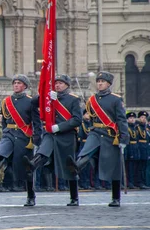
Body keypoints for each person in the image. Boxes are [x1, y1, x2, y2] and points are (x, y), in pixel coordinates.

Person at [68, 71, 128, 207]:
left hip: (110, 135)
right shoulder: (92, 99)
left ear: (108, 84)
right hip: (95, 131)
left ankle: (116, 197)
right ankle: (76, 167)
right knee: (86, 151)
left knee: (114, 167)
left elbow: (121, 120)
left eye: (102, 82)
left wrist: (124, 138)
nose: (100, 84)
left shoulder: (116, 99)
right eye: (98, 81)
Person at [0, 74, 40, 206]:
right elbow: (4, 120)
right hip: (9, 132)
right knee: (2, 151)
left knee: (26, 169)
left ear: (24, 86)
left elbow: (36, 122)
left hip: (24, 136)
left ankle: (30, 196)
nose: (16, 85)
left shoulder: (30, 101)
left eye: (19, 83)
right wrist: (5, 132)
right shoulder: (6, 101)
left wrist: (37, 138)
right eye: (14, 82)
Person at [29, 74, 82, 206]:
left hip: (66, 135)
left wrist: (59, 126)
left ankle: (74, 197)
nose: (58, 85)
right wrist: (43, 95)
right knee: (43, 151)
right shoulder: (50, 97)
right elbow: (33, 102)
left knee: (69, 166)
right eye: (56, 83)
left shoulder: (73, 100)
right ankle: (31, 165)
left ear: (67, 85)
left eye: (61, 83)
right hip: (50, 134)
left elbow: (77, 119)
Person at [77, 111, 92, 190]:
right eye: (86, 114)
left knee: (88, 167)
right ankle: (82, 183)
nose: (88, 115)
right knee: (81, 166)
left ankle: (87, 183)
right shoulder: (81, 124)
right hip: (82, 145)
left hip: (89, 145)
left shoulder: (90, 124)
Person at [125, 112, 139, 189]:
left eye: (133, 118)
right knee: (129, 168)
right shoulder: (127, 128)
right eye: (130, 118)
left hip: (135, 148)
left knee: (135, 167)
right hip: (130, 147)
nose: (132, 119)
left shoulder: (135, 128)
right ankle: (129, 182)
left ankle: (134, 182)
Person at [137, 111, 149, 189]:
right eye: (142, 117)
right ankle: (140, 182)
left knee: (144, 167)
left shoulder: (145, 128)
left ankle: (144, 182)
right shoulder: (137, 127)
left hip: (145, 148)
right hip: (139, 148)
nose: (143, 119)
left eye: (145, 118)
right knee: (140, 167)